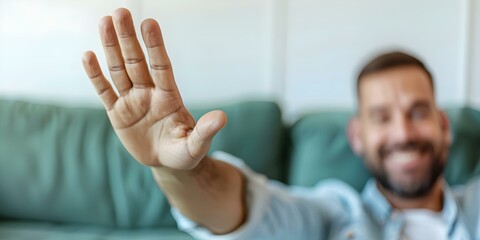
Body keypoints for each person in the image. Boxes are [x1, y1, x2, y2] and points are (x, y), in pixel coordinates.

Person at [81, 8, 479, 240]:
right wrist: (173, 171)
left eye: (419, 112)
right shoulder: (335, 215)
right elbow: (245, 210)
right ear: (357, 137)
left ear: (444, 125)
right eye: (382, 118)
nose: (404, 133)